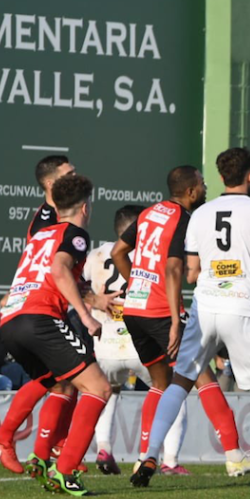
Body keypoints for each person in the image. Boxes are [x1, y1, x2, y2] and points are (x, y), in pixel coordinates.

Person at [129, 147, 250, 490]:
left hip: (205, 309)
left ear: (222, 178)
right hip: (242, 308)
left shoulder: (201, 214)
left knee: (180, 382)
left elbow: (190, 272)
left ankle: (150, 453)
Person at [111, 166, 248, 476]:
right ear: (190, 191)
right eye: (201, 184)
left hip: (134, 310)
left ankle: (146, 455)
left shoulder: (148, 214)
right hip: (161, 311)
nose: (204, 188)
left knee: (159, 383)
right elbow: (174, 270)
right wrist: (176, 319)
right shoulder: (184, 219)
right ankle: (234, 453)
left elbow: (120, 251)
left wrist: (136, 285)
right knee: (204, 377)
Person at [0, 174, 113, 496]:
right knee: (98, 387)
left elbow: (52, 276)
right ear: (85, 207)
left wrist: (94, 298)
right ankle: (65, 471)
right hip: (39, 318)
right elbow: (60, 271)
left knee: (56, 380)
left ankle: (10, 439)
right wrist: (87, 317)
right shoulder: (76, 234)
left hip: (12, 320)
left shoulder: (41, 235)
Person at [85, 204, 192, 476]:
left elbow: (77, 284)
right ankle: (166, 458)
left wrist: (95, 300)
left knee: (109, 393)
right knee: (170, 388)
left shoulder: (96, 255)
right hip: (138, 334)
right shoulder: (148, 253)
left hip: (106, 342)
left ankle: (104, 448)